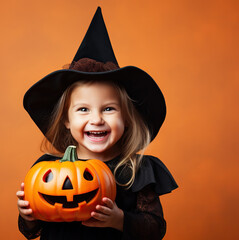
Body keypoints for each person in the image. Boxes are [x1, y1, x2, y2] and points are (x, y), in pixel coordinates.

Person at [17, 7, 178, 240]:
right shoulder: (47, 170)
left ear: (126, 118)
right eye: (83, 109)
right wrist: (28, 216)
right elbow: (30, 232)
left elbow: (155, 230)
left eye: (109, 108)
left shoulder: (137, 171)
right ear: (66, 120)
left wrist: (119, 220)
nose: (97, 119)